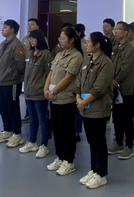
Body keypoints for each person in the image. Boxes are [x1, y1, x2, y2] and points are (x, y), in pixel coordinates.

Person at [44, 26, 84, 176]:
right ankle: (60, 157)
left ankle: (69, 160)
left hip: (66, 99)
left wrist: (53, 91)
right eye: (59, 38)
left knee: (67, 130)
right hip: (54, 99)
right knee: (57, 129)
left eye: (63, 38)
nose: (60, 40)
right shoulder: (59, 54)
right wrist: (46, 89)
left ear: (72, 40)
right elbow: (51, 73)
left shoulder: (76, 56)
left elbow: (68, 78)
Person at [77, 32, 114, 189]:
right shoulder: (87, 60)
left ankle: (101, 173)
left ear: (97, 45)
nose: (86, 44)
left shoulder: (106, 63)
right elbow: (79, 81)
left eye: (89, 42)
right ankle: (93, 169)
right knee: (91, 140)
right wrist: (79, 98)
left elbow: (99, 88)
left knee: (99, 141)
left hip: (98, 108)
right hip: (85, 107)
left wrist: (83, 102)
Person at [19, 29, 53, 158]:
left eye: (33, 38)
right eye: (30, 38)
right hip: (29, 92)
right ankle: (32, 142)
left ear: (39, 39)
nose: (31, 40)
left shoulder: (45, 54)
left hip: (39, 93)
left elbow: (50, 73)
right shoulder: (29, 53)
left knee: (42, 119)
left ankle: (44, 145)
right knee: (32, 119)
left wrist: (46, 89)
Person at [0, 19, 26, 148]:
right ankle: (7, 130)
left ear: (12, 30)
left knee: (13, 108)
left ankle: (17, 133)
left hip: (12, 81)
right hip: (2, 81)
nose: (2, 29)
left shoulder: (17, 45)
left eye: (5, 27)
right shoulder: (3, 44)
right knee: (2, 107)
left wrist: (15, 75)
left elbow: (20, 65)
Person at [108, 21, 134, 160]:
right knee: (116, 118)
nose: (116, 31)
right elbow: (110, 66)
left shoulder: (131, 50)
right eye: (115, 29)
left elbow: (125, 69)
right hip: (114, 88)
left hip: (124, 89)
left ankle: (129, 146)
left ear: (126, 32)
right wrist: (110, 79)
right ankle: (118, 143)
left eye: (118, 29)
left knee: (126, 118)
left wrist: (115, 80)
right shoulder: (115, 48)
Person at [21, 18, 43, 123]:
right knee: (27, 91)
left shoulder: (42, 39)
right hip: (27, 66)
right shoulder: (25, 38)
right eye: (28, 24)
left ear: (37, 27)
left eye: (32, 24)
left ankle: (35, 115)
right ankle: (28, 114)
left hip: (37, 68)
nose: (29, 26)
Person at [74, 23, 87, 141]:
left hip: (79, 80)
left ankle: (76, 132)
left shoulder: (83, 46)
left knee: (79, 107)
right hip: (70, 83)